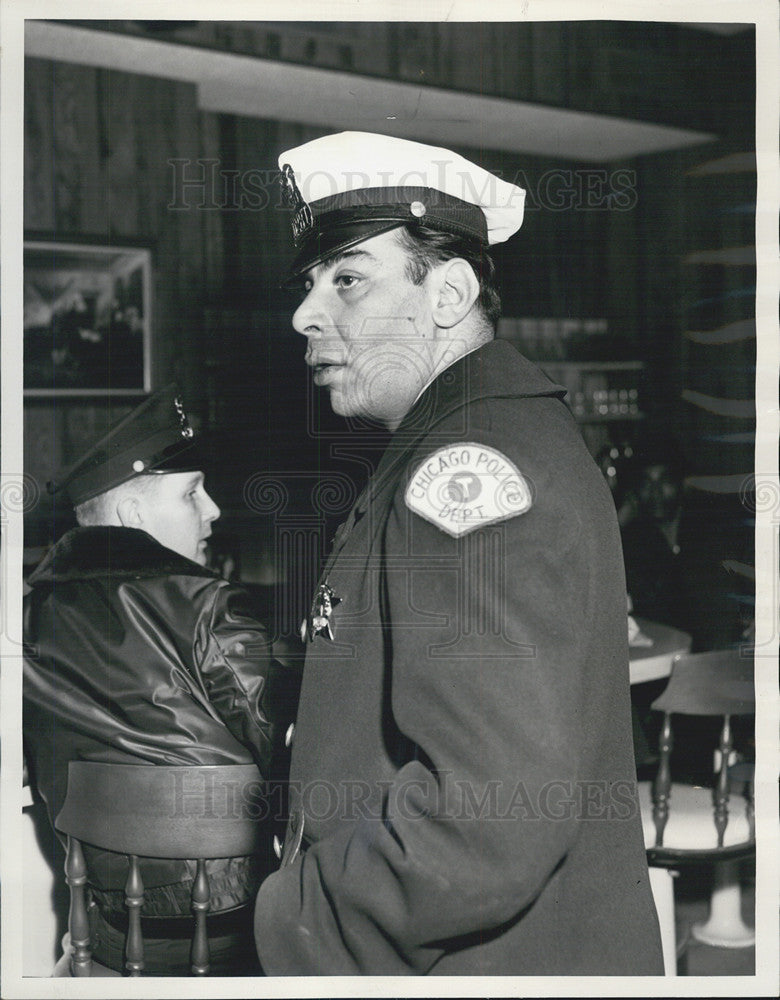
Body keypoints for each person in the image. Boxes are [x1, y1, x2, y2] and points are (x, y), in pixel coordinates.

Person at [252, 132, 663, 975]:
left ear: (449, 294)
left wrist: (299, 916)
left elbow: (489, 819)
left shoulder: (465, 467)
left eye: (348, 280)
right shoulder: (477, 434)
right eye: (310, 284)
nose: (305, 313)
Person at [23, 385, 298, 975]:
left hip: (105, 924)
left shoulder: (39, 613)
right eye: (192, 492)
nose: (214, 510)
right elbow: (291, 740)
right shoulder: (206, 605)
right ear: (133, 515)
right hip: (229, 922)